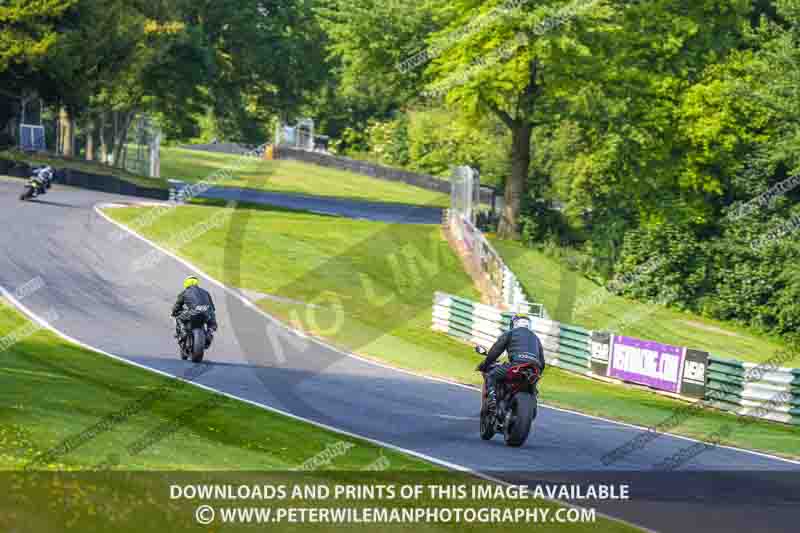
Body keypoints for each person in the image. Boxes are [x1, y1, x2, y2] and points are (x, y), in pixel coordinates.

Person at [477, 314, 545, 414]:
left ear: (513, 324)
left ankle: (492, 401)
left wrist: (485, 364)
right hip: (533, 368)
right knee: (533, 385)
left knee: (491, 375)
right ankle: (533, 404)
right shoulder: (536, 338)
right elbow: (542, 362)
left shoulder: (510, 333)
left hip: (516, 364)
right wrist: (538, 373)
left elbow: (495, 351)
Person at [171, 276, 218, 348]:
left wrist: (174, 312)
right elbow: (212, 308)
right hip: (207, 313)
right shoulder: (206, 292)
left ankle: (183, 331)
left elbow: (177, 306)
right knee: (212, 319)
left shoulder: (184, 292)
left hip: (193, 312)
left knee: (179, 318)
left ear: (186, 283)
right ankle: (209, 332)